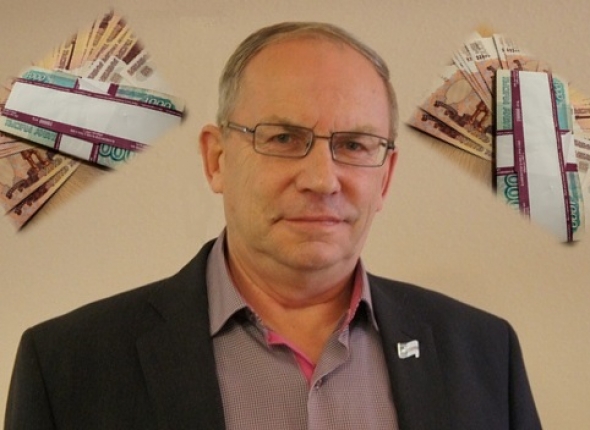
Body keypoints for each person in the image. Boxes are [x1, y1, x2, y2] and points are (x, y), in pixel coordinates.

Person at [5, 22, 542, 430]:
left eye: (355, 145)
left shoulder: (485, 354)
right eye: (283, 138)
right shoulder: (66, 368)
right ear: (216, 159)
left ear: (386, 177)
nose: (322, 179)